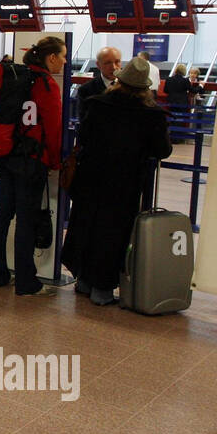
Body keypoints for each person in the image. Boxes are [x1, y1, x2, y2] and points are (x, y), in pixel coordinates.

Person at [61, 54, 172, 305]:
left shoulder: (97, 103)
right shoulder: (151, 114)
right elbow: (162, 150)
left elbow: (85, 137)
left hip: (90, 178)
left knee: (86, 225)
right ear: (145, 87)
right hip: (124, 183)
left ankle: (84, 280)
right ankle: (102, 288)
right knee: (113, 233)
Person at [0, 35, 65, 297]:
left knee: (3, 213)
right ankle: (26, 282)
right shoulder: (47, 85)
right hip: (32, 160)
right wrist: (54, 160)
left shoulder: (15, 77)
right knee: (26, 219)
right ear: (50, 58)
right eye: (62, 56)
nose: (64, 61)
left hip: (6, 154)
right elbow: (53, 129)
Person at [76, 47, 120, 120]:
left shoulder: (129, 88)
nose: (114, 67)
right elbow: (84, 122)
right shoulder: (86, 90)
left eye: (117, 62)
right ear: (98, 65)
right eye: (108, 63)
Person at [162, 64, 192, 136]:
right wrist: (200, 86)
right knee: (180, 119)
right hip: (182, 103)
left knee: (172, 118)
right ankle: (178, 137)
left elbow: (165, 90)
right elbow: (192, 90)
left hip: (171, 102)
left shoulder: (168, 79)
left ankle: (172, 135)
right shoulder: (185, 80)